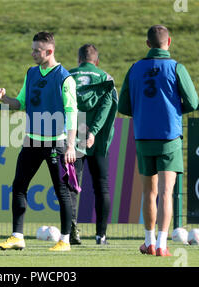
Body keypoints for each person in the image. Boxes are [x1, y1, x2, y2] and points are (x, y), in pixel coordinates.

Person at [0, 31, 78, 252]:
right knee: (19, 186)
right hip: (32, 142)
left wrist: (70, 145)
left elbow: (72, 114)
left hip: (55, 144)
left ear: (49, 51)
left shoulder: (64, 78)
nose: (32, 54)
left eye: (36, 50)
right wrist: (3, 99)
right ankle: (17, 236)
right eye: (32, 49)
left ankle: (65, 241)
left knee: (62, 192)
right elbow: (20, 103)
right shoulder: (31, 73)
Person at [118, 25, 198, 256]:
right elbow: (192, 102)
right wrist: (171, 111)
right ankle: (162, 245)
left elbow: (123, 105)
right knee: (166, 193)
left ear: (147, 44)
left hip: (143, 136)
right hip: (169, 137)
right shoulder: (175, 67)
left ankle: (148, 242)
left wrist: (145, 112)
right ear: (169, 42)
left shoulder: (134, 68)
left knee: (148, 193)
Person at [68, 44, 117, 245]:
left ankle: (70, 232)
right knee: (101, 186)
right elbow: (108, 105)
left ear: (79, 59)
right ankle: (101, 235)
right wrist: (94, 131)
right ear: (96, 61)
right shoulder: (105, 78)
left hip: (73, 138)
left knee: (71, 186)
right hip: (97, 141)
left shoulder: (68, 76)